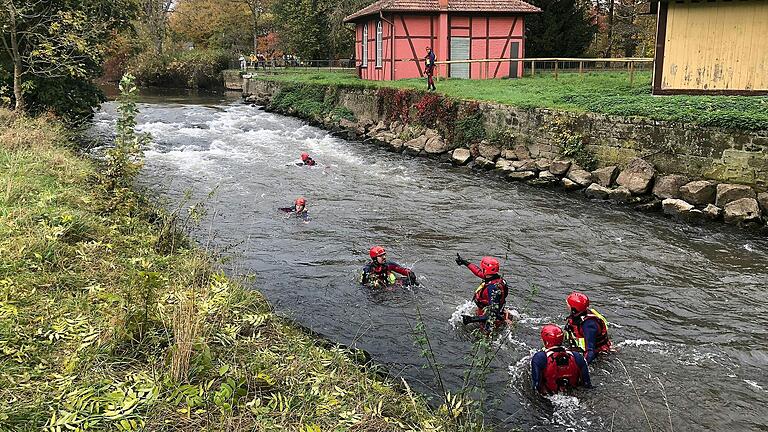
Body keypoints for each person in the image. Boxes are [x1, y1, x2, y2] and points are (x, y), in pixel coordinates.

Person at [531, 324, 591, 395]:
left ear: (545, 340)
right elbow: (587, 384)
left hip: (550, 398)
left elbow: (536, 385)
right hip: (573, 396)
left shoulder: (539, 357)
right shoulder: (577, 356)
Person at [455, 254, 509, 331]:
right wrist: (465, 262)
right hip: (493, 311)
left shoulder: (492, 289)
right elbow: (478, 272)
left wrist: (471, 319)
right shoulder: (497, 279)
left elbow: (493, 315)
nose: (481, 270)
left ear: (485, 270)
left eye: (482, 268)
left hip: (489, 321)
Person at [564, 292, 611, 364]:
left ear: (574, 309)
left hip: (598, 355)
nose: (566, 304)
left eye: (568, 304)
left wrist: (582, 367)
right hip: (578, 347)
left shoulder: (588, 325)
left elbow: (590, 351)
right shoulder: (579, 313)